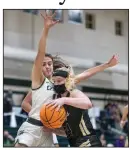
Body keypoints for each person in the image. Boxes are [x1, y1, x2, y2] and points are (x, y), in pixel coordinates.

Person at [47, 67, 102, 147]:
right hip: (74, 143)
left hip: (88, 141)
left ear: (67, 81)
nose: (56, 84)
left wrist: (64, 100)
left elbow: (88, 104)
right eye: (54, 81)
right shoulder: (58, 100)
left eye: (59, 81)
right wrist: (52, 130)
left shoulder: (73, 93)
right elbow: (69, 133)